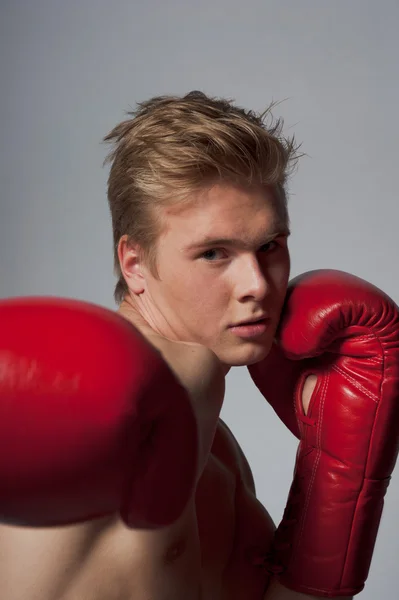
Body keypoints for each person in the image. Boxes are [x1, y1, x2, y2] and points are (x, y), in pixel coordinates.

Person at [1, 91, 398, 600]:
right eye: (214, 253)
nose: (256, 283)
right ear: (134, 264)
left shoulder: (216, 449)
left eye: (269, 246)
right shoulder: (163, 384)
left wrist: (339, 470)